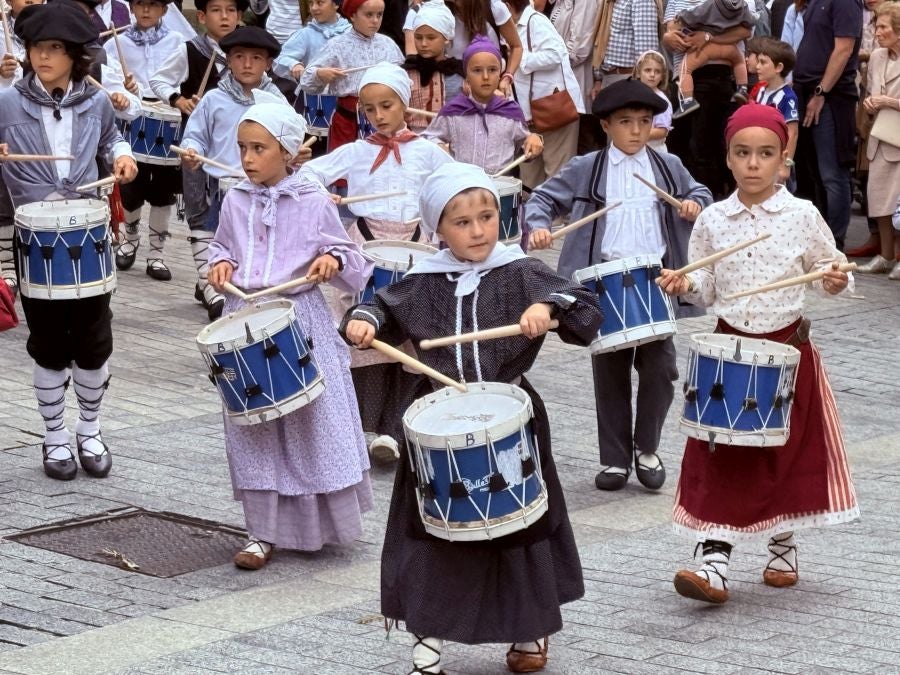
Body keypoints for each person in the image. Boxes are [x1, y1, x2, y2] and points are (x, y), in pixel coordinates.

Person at [342, 161, 604, 675]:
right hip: (438, 420)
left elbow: (583, 304)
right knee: (431, 530)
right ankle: (427, 644)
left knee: (520, 526)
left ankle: (528, 629)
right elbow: (382, 309)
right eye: (462, 222)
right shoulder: (424, 279)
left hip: (509, 414)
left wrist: (549, 309)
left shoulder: (519, 269)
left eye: (487, 217)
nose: (479, 230)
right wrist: (363, 320)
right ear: (438, 227)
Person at [656, 104, 858, 604]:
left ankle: (782, 541)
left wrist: (836, 279)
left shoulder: (802, 216)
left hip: (787, 352)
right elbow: (705, 286)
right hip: (728, 354)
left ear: (782, 159)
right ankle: (714, 564)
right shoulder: (712, 220)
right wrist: (686, 283)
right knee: (720, 454)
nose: (753, 163)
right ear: (727, 158)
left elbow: (832, 269)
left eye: (765, 153)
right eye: (742, 153)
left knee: (781, 455)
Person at [206, 95, 374, 570]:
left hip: (299, 318)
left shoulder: (314, 200)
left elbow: (350, 257)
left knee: (310, 424)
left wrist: (332, 259)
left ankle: (317, 526)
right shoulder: (235, 199)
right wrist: (220, 264)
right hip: (244, 316)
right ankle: (261, 533)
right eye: (242, 148)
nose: (247, 158)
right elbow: (221, 247)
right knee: (254, 425)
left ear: (287, 151)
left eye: (258, 148)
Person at [526, 80, 711, 492]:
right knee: (609, 372)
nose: (636, 131)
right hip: (603, 281)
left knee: (661, 369)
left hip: (655, 280)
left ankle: (647, 448)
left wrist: (694, 203)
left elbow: (700, 191)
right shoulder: (586, 168)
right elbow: (541, 199)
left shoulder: (668, 166)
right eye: (626, 122)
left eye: (644, 122)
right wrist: (538, 227)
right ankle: (614, 460)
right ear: (606, 125)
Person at [0, 2, 137, 480]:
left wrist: (122, 157)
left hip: (87, 230)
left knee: (94, 340)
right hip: (35, 235)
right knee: (48, 342)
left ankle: (90, 429)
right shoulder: (6, 102)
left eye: (55, 48)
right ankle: (54, 435)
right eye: (37, 47)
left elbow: (112, 139)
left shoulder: (95, 101)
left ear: (76, 55)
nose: (42, 56)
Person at [301, 62, 454, 462]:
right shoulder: (355, 152)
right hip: (366, 247)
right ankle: (366, 427)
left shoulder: (427, 152)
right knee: (363, 336)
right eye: (369, 109)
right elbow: (308, 175)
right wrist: (324, 195)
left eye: (387, 105)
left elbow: (458, 185)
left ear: (404, 104)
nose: (379, 115)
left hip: (416, 248)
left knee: (411, 338)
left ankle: (395, 430)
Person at [179, 26, 287, 317]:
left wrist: (294, 151)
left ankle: (237, 284)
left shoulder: (277, 101)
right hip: (218, 181)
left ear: (268, 63)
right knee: (210, 230)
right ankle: (210, 286)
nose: (247, 64)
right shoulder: (213, 99)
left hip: (259, 186)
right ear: (228, 60)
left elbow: (289, 140)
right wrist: (192, 150)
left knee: (250, 240)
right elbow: (195, 134)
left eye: (256, 58)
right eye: (239, 56)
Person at [149, 0, 246, 320]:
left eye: (231, 10)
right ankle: (207, 284)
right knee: (200, 212)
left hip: (238, 149)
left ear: (240, 15)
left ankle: (212, 276)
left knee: (233, 217)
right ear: (202, 16)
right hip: (198, 146)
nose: (225, 17)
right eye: (217, 10)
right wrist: (178, 99)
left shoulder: (247, 54)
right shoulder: (190, 50)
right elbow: (159, 80)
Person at [102, 0, 183, 281]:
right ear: (132, 8)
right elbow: (107, 78)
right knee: (130, 187)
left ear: (164, 10)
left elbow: (183, 78)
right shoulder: (116, 43)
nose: (146, 11)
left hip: (167, 117)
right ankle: (130, 238)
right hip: (132, 116)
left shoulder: (178, 42)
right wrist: (125, 89)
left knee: (163, 192)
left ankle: (157, 254)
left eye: (153, 5)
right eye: (140, 4)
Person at [793, 0, 863, 251]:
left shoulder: (845, 2)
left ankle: (834, 244)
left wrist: (821, 91)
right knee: (811, 173)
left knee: (832, 173)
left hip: (831, 98)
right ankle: (817, 239)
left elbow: (844, 49)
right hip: (805, 92)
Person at [663, 0, 751, 199]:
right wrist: (670, 38)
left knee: (713, 146)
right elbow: (670, 32)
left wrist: (708, 37)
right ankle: (690, 201)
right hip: (683, 79)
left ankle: (714, 200)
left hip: (719, 76)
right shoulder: (675, 1)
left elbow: (745, 31)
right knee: (683, 145)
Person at [421, 35, 541, 175]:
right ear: (466, 77)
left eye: (492, 70)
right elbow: (429, 137)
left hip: (501, 184)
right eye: (477, 70)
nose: (485, 77)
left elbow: (524, 150)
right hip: (463, 183)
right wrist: (440, 149)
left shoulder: (511, 112)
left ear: (500, 74)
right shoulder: (453, 111)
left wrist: (533, 139)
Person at [298, 0, 404, 153]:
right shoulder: (337, 45)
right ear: (353, 16)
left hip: (384, 118)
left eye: (379, 15)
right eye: (369, 15)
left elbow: (402, 79)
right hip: (348, 121)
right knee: (345, 162)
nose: (375, 20)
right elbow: (306, 80)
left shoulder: (388, 44)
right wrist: (320, 74)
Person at [505, 0, 583, 189]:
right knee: (529, 179)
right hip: (527, 115)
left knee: (557, 176)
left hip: (553, 110)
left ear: (507, 6)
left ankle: (557, 211)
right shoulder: (508, 28)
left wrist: (519, 59)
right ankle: (532, 209)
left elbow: (556, 53)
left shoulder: (536, 21)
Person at [857, 2, 900, 278]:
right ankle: (885, 256)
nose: (877, 32)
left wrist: (890, 102)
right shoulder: (876, 57)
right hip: (880, 136)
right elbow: (872, 92)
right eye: (877, 26)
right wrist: (872, 103)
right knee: (879, 198)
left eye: (883, 27)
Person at [671, 0, 756, 118]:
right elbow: (751, 22)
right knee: (739, 62)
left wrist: (681, 16)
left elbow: (694, 15)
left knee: (685, 68)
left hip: (708, 48)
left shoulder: (712, 4)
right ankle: (742, 88)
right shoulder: (742, 5)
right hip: (730, 47)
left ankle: (688, 100)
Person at [400, 1, 462, 132]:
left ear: (446, 38)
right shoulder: (406, 73)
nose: (423, 44)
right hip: (414, 138)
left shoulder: (459, 72)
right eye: (418, 37)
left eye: (431, 38)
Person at [753, 38, 799, 191]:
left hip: (778, 160)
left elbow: (792, 133)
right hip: (760, 155)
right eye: (757, 61)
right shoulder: (761, 91)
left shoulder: (788, 97)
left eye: (763, 62)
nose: (758, 66)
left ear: (779, 67)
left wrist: (787, 164)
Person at [272, 0, 350, 83]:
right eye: (311, 3)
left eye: (320, 3)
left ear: (335, 5)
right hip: (317, 89)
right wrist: (294, 64)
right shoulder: (305, 34)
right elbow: (280, 58)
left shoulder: (351, 31)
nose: (314, 8)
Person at [633, 49, 673, 152]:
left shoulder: (662, 101)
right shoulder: (631, 96)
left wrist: (636, 135)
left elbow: (662, 131)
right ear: (638, 73)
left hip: (654, 151)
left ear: (662, 76)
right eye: (647, 70)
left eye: (657, 71)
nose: (652, 75)